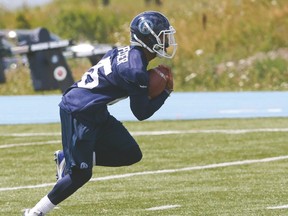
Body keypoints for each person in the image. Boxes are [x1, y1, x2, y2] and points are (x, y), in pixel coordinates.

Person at [23, 10, 177, 215]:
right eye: (162, 35)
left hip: (95, 109)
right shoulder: (135, 70)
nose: (166, 40)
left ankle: (66, 158)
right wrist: (165, 92)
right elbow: (141, 112)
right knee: (80, 175)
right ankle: (35, 212)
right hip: (80, 111)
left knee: (131, 153)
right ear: (148, 38)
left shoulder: (124, 53)